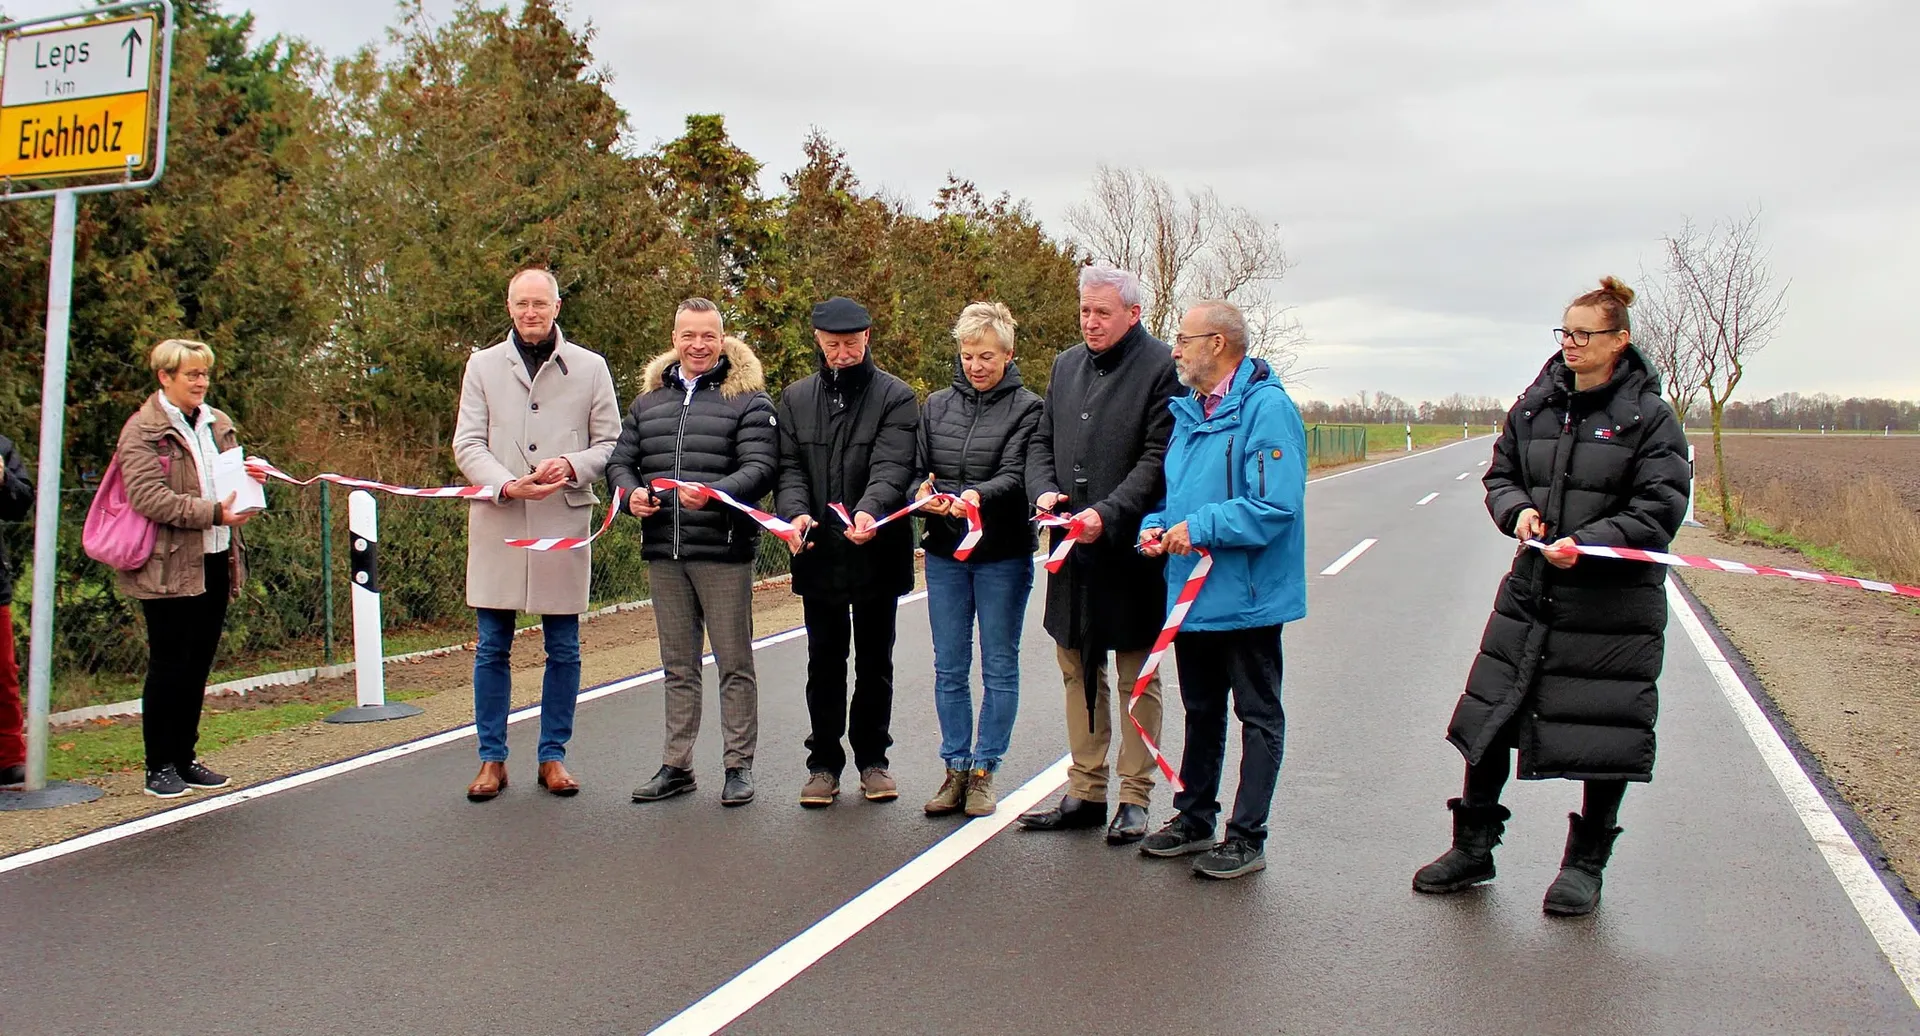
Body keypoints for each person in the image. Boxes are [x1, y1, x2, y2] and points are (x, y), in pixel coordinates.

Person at [1414, 276, 1690, 915]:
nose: (1570, 343)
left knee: (1604, 731)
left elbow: (1660, 508)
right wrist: (1516, 514)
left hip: (1612, 610)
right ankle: (1473, 848)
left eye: (1584, 333)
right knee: (1490, 719)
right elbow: (1501, 474)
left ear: (1619, 341)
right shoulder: (1535, 405)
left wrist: (1589, 543)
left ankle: (1585, 866)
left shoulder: (1649, 419)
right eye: (1564, 331)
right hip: (1532, 592)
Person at [1135, 301, 1307, 880]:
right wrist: (1155, 526)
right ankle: (1194, 816)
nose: (1174, 350)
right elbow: (1177, 499)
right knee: (1201, 708)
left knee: (1257, 714)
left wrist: (1199, 528)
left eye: (1183, 340)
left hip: (1250, 595)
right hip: (1195, 594)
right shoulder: (1189, 414)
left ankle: (1246, 835)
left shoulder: (1267, 410)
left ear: (1218, 343)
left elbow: (1275, 504)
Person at [1018, 264, 1181, 845]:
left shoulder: (1162, 367)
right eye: (1085, 311)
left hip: (1131, 551)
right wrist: (1043, 489)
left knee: (1137, 677)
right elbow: (1042, 440)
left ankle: (1134, 796)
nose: (1090, 322)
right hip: (1072, 550)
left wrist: (1107, 514)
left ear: (1132, 314)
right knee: (1076, 670)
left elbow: (1159, 457)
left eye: (1102, 312)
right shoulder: (1065, 365)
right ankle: (1085, 789)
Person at [452, 267, 620, 802]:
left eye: (539, 303)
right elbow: (467, 444)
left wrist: (569, 465)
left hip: (561, 522)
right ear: (509, 306)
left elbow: (611, 444)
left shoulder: (591, 369)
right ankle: (491, 758)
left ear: (556, 307)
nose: (530, 312)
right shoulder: (481, 367)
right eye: (521, 303)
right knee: (491, 647)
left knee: (564, 648)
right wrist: (506, 484)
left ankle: (553, 755)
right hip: (500, 519)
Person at [607, 298, 778, 808]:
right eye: (688, 336)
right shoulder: (648, 403)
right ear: (674, 338)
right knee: (678, 666)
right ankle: (677, 764)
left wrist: (718, 492)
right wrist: (629, 492)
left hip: (722, 551)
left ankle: (737, 766)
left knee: (734, 663)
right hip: (664, 550)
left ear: (722, 339)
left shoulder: (749, 400)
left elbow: (761, 469)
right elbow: (622, 461)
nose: (698, 345)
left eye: (708, 336)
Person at [775, 296, 921, 808]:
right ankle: (822, 763)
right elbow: (789, 468)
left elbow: (893, 465)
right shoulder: (794, 400)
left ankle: (873, 760)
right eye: (833, 345)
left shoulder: (897, 398)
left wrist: (871, 510)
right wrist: (794, 512)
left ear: (868, 338)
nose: (842, 354)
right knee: (824, 660)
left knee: (876, 660)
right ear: (818, 340)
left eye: (851, 344)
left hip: (876, 550)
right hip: (817, 552)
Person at [914, 302, 1043, 818]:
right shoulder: (935, 406)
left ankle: (986, 768)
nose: (976, 366)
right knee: (949, 666)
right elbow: (915, 466)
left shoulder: (1030, 408)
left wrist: (973, 497)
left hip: (1002, 554)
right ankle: (955, 767)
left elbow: (1016, 474)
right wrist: (920, 491)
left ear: (1008, 355)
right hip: (945, 551)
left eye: (987, 356)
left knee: (999, 665)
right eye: (968, 356)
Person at [113, 339, 257, 798]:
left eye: (204, 374)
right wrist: (213, 512)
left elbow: (231, 475)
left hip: (216, 557)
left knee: (198, 664)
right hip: (167, 565)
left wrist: (252, 479)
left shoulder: (218, 423)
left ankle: (186, 757)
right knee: (169, 664)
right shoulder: (143, 431)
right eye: (191, 374)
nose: (200, 382)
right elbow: (148, 497)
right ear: (165, 377)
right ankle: (159, 765)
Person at [0, 433, 36, 788]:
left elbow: (21, 502)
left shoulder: (1, 446)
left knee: (3, 675)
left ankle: (9, 758)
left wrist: (3, 480)